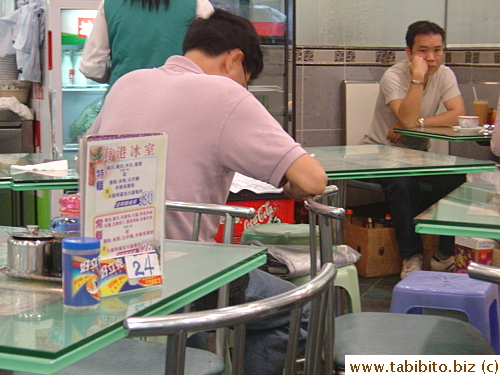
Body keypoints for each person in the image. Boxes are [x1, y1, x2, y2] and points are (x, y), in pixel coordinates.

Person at [85, 9, 327, 375]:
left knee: (190, 330)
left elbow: (87, 161)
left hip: (106, 268)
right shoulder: (225, 92)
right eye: (247, 79)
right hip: (179, 276)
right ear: (235, 60)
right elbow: (313, 181)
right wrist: (289, 184)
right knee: (297, 310)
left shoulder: (127, 83)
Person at [364, 20, 466, 279]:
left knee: (456, 177)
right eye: (423, 51)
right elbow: (406, 119)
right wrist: (417, 78)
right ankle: (412, 256)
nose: (431, 58)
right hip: (380, 153)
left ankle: (444, 255)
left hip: (419, 156)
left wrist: (422, 123)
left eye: (437, 50)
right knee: (403, 182)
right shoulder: (394, 76)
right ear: (408, 52)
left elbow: (458, 115)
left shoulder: (445, 74)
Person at [79, 0, 214, 89]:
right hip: (179, 100)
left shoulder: (109, 4)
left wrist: (119, 76)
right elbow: (215, 63)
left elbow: (91, 68)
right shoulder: (198, 3)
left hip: (123, 102)